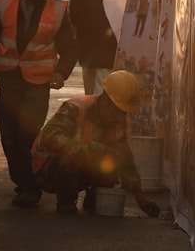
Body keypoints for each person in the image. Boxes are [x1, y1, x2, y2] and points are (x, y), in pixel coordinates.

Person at [0, 0, 79, 207]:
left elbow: (70, 47)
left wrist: (60, 72)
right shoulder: (3, 1)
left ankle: (30, 188)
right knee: (9, 137)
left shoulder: (58, 10)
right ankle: (23, 182)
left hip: (38, 84)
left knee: (27, 135)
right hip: (8, 80)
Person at [32, 70, 161, 216]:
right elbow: (50, 137)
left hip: (78, 170)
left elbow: (124, 156)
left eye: (123, 113)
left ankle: (95, 198)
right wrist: (91, 150)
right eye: (117, 111)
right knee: (78, 154)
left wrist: (139, 196)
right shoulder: (75, 108)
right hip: (47, 170)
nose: (119, 117)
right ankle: (66, 202)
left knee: (114, 155)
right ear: (105, 100)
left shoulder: (116, 121)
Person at [70, 0, 117, 94]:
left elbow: (74, 10)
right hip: (107, 41)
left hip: (86, 41)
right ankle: (101, 115)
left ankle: (88, 114)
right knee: (105, 87)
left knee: (89, 90)